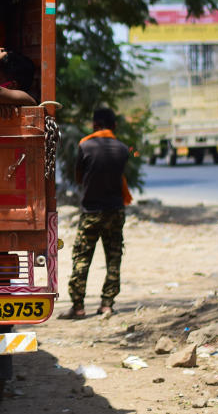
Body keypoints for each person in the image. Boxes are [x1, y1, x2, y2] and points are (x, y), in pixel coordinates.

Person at [60, 107, 132, 319]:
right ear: (114, 126)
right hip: (116, 210)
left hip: (91, 211)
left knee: (82, 258)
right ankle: (107, 304)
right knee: (114, 257)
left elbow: (79, 177)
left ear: (94, 125)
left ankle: (78, 306)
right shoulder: (122, 148)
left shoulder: (85, 145)